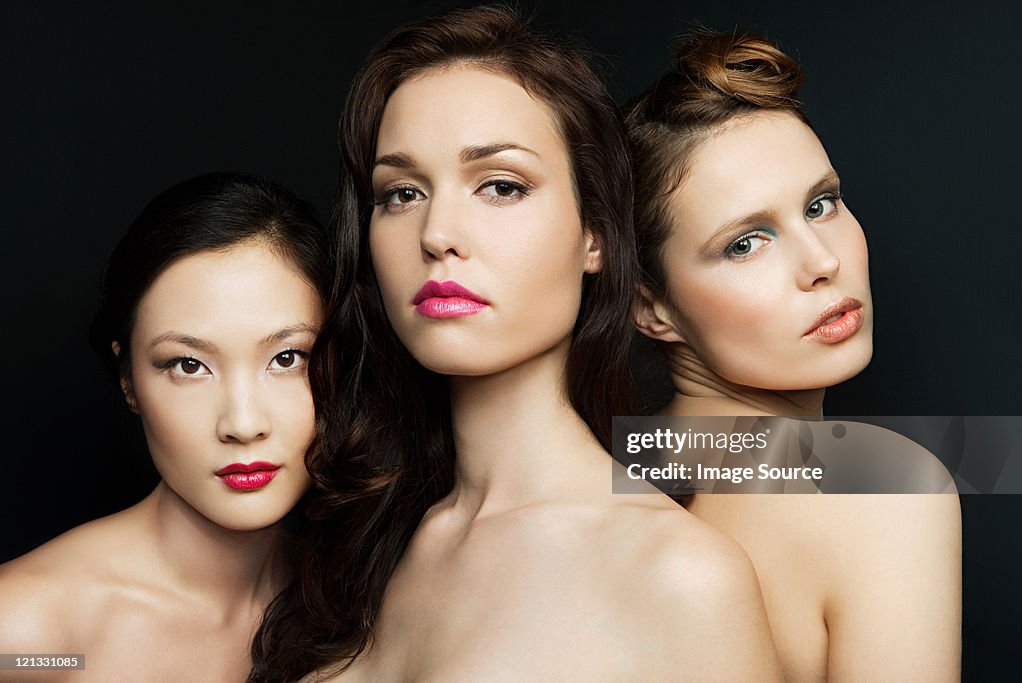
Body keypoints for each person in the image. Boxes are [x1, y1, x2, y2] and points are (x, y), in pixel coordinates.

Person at [250, 6, 781, 682]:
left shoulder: (677, 574)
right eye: (402, 192)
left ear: (595, 234)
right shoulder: (366, 534)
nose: (438, 232)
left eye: (500, 185)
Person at [625, 31, 961, 681]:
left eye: (821, 203)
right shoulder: (885, 486)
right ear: (650, 306)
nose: (822, 262)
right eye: (745, 243)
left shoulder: (600, 465)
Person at [0, 172, 330, 682]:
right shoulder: (31, 634)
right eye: (188, 365)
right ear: (129, 379)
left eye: (287, 358)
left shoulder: (361, 600)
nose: (243, 424)